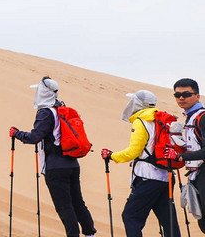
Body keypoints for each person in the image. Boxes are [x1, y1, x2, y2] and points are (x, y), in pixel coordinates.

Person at [9, 76, 96, 237]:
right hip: (72, 164)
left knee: (64, 206)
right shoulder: (61, 109)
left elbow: (35, 137)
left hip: (56, 167)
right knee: (78, 202)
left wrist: (17, 134)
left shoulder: (45, 112)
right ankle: (90, 234)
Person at [100, 90, 182, 237]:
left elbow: (133, 151)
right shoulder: (160, 120)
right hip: (166, 176)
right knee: (168, 220)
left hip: (147, 177)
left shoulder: (141, 122)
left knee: (130, 216)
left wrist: (112, 156)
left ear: (137, 103)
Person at [166, 78, 205, 233]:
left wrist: (181, 157)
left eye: (186, 94)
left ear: (197, 96)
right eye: (177, 95)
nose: (181, 98)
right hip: (197, 175)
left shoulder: (202, 117)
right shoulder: (191, 117)